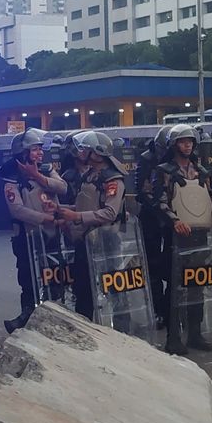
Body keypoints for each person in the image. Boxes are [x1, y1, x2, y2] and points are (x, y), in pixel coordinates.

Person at [148, 126, 212, 354]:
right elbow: (158, 202)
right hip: (175, 237)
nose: (187, 145)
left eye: (190, 141)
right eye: (182, 141)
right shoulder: (163, 170)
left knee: (197, 284)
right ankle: (173, 336)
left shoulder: (202, 172)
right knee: (175, 287)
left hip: (199, 235)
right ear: (173, 144)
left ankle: (195, 333)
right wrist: (174, 220)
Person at [0, 128, 68, 333]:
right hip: (27, 236)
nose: (40, 153)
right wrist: (45, 218)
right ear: (23, 152)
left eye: (40, 149)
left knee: (55, 275)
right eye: (35, 149)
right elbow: (18, 210)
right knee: (28, 279)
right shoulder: (11, 178)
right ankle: (27, 317)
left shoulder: (46, 170)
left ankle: (57, 316)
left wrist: (38, 176)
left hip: (53, 235)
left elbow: (62, 188)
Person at [57, 131, 126, 321]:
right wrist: (58, 208)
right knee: (83, 291)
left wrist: (76, 216)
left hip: (107, 241)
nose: (80, 152)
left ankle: (122, 331)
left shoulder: (112, 179)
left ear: (97, 153)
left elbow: (110, 213)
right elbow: (84, 205)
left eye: (85, 149)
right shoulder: (88, 175)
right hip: (85, 241)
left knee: (114, 290)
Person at [134, 127, 171, 328]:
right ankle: (158, 310)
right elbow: (141, 190)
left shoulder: (180, 161)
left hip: (173, 218)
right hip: (152, 219)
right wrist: (159, 208)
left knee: (173, 265)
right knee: (153, 267)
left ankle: (169, 308)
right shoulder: (147, 158)